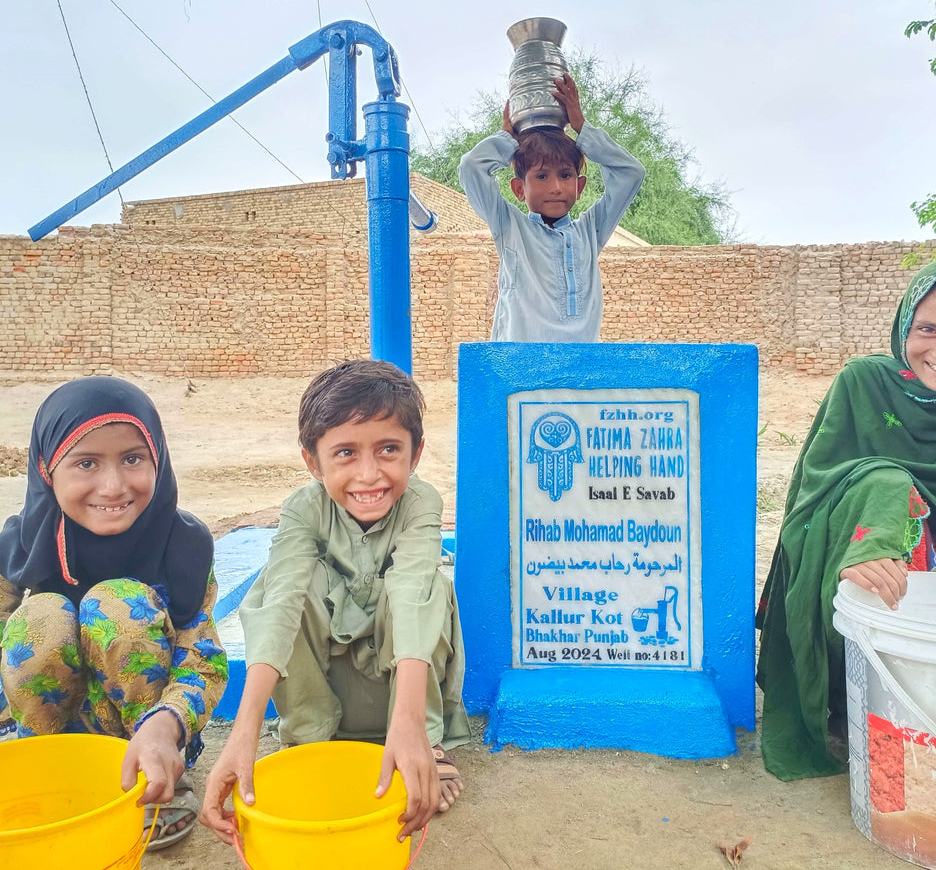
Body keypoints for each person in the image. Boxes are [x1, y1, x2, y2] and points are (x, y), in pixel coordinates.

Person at [756, 257, 936, 783]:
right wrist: (871, 538)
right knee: (882, 482)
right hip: (851, 584)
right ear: (904, 325)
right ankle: (844, 691)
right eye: (927, 329)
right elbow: (816, 492)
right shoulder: (865, 384)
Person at [200, 360, 470, 845]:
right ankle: (309, 745)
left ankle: (422, 743)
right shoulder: (303, 508)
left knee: (429, 586)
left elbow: (410, 597)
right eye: (345, 452)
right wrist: (243, 733)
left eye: (389, 449)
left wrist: (409, 727)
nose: (369, 474)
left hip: (398, 693)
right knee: (279, 586)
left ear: (416, 453)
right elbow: (280, 604)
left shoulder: (421, 503)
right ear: (312, 461)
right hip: (329, 690)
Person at [0, 376, 227, 850]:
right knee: (39, 617)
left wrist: (167, 725)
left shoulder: (183, 545)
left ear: (157, 458)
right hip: (49, 729)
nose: (114, 485)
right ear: (47, 469)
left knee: (116, 605)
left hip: (152, 729)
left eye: (132, 458)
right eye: (86, 462)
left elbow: (202, 658)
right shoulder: (21, 544)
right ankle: (44, 766)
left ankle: (156, 780)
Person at [458, 72, 646, 342]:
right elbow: (471, 168)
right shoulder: (510, 227)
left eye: (566, 175)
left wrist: (582, 128)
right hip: (519, 370)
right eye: (542, 176)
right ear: (519, 189)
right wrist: (507, 138)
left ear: (580, 187)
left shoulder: (590, 232)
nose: (556, 187)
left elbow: (632, 173)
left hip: (578, 371)